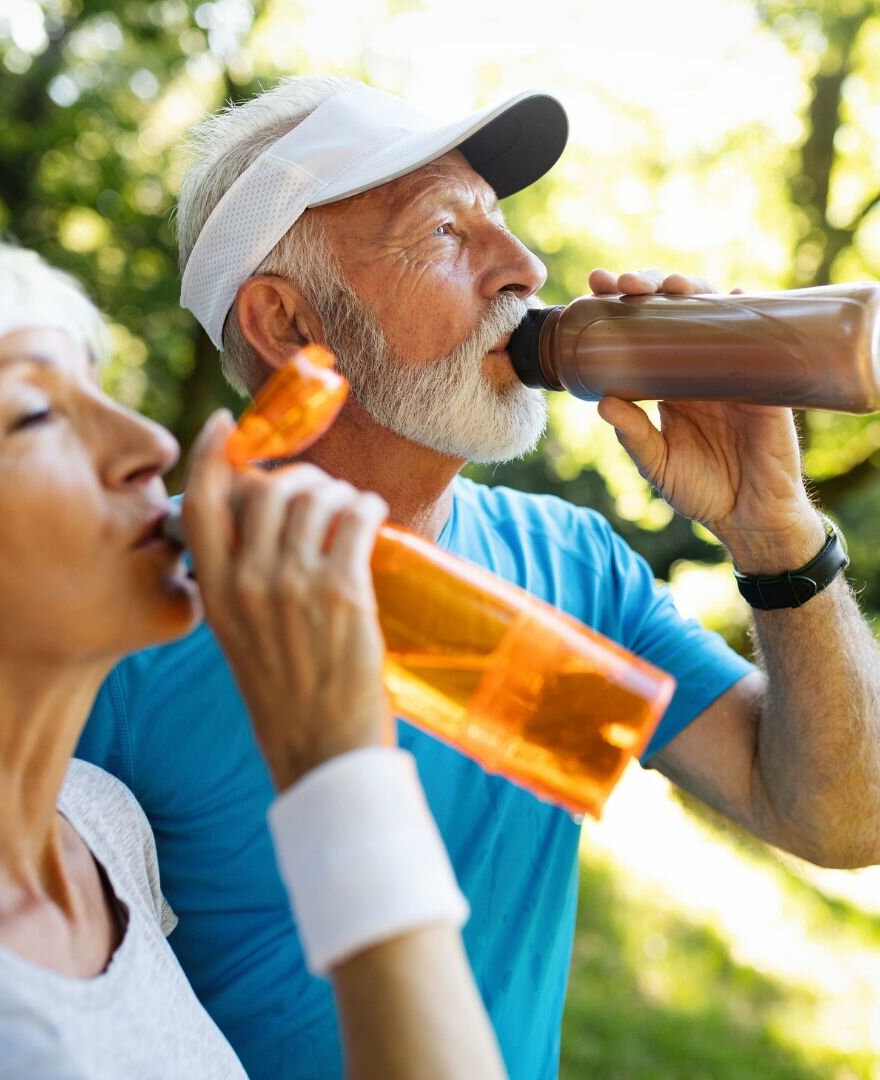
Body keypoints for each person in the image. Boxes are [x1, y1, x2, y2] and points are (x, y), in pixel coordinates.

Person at [77, 76, 880, 1078]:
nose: (528, 267)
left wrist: (777, 537)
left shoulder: (571, 568)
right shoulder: (117, 621)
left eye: (502, 224)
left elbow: (842, 818)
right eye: (447, 233)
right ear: (287, 326)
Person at [0, 244, 508, 1079]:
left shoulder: (99, 828)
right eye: (33, 415)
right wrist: (337, 764)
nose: (148, 444)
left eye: (99, 394)